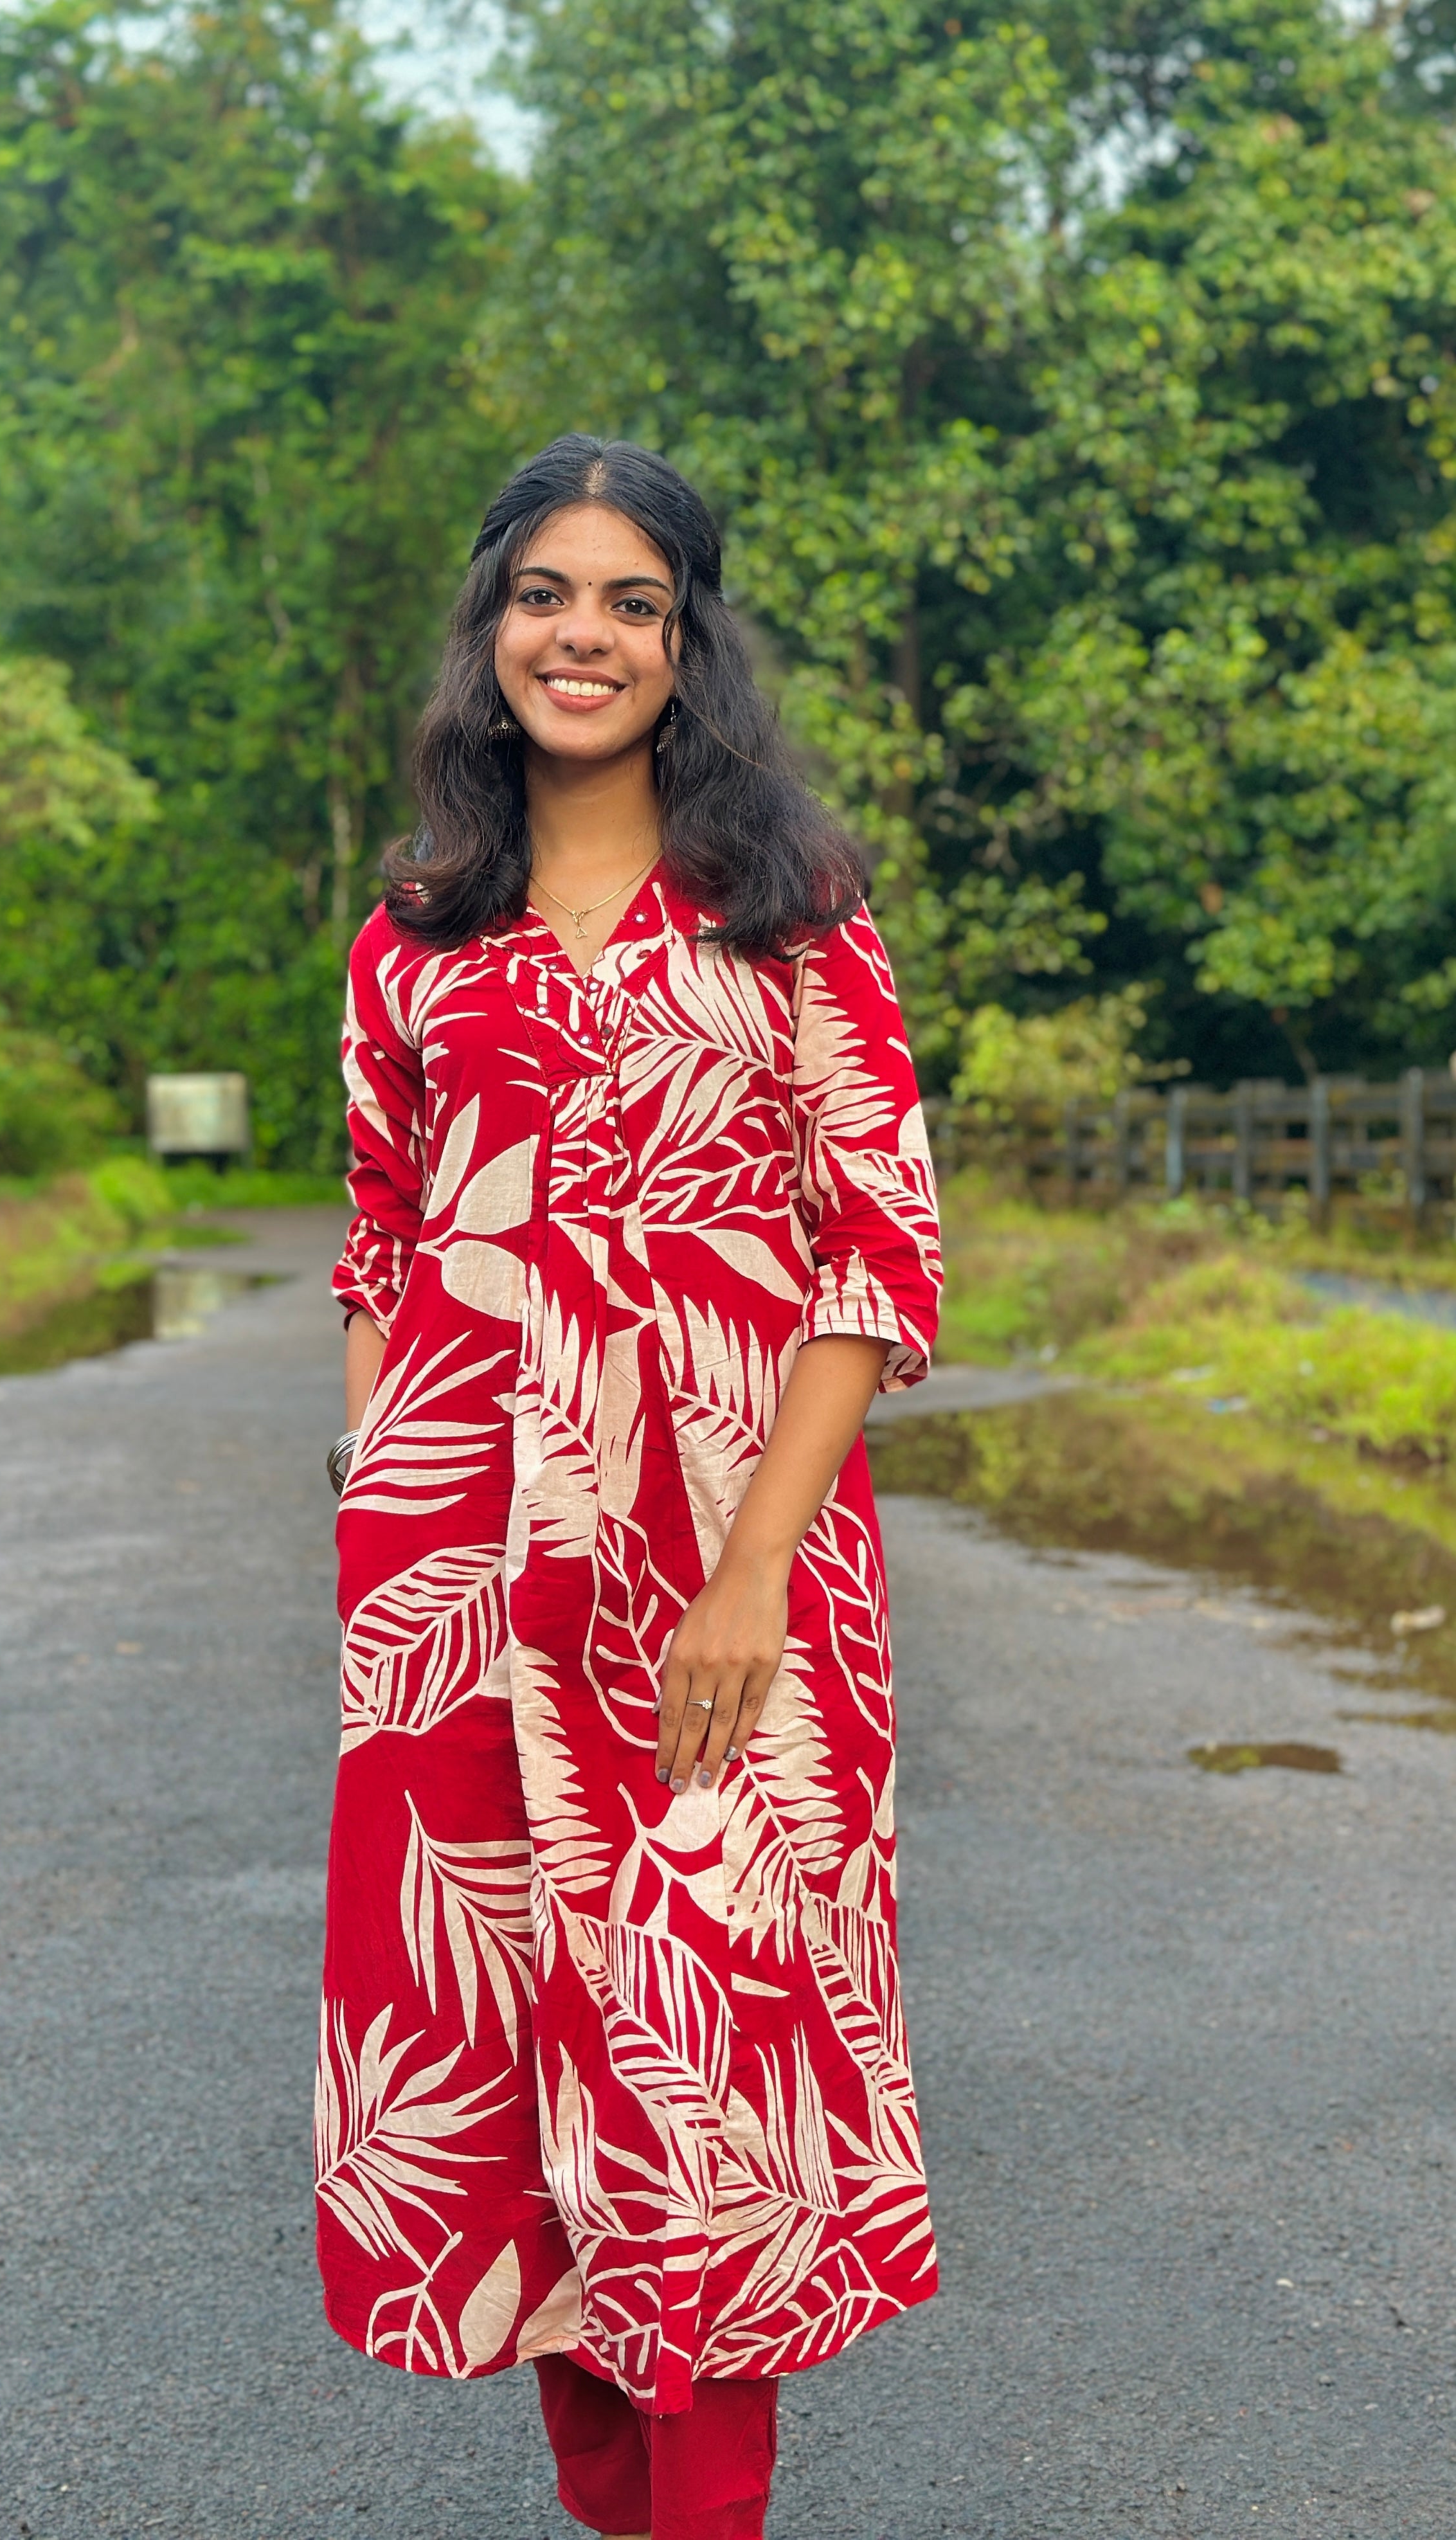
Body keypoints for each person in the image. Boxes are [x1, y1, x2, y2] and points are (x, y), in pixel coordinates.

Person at [316, 435, 943, 2540]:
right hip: (465, 1587)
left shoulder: (784, 913)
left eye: (632, 602)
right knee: (510, 2065)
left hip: (729, 1576)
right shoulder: (416, 935)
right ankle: (619, 2506)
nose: (582, 635)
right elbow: (384, 1257)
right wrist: (375, 1545)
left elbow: (877, 1248)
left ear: (690, 648)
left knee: (716, 2058)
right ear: (492, 628)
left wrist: (755, 1572)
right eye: (545, 595)